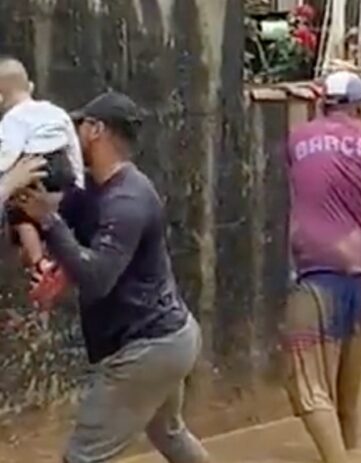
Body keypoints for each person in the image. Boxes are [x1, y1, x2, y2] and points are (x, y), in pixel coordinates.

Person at [15, 91, 209, 463]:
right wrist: (39, 243)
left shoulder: (128, 200)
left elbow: (97, 277)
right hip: (166, 339)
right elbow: (43, 220)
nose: (71, 136)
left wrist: (49, 222)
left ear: (96, 130)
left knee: (82, 458)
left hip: (147, 348)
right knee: (170, 435)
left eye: (79, 126)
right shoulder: (92, 190)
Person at [284, 71, 361, 463]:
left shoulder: (298, 138)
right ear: (358, 106)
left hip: (315, 272)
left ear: (322, 103)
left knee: (308, 388)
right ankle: (351, 451)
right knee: (347, 398)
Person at [0, 57, 85, 306]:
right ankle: (59, 258)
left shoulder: (12, 119)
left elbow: (7, 155)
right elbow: (73, 146)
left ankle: (40, 263)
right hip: (61, 167)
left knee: (19, 214)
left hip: (34, 165)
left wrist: (8, 179)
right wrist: (78, 182)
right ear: (31, 87)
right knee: (50, 215)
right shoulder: (57, 112)